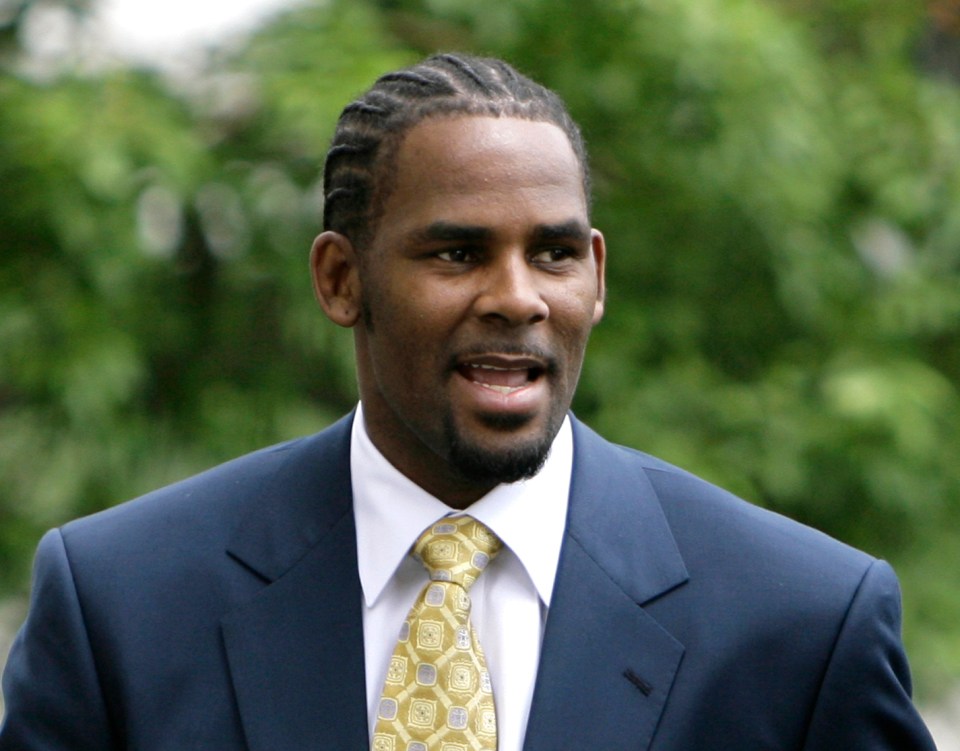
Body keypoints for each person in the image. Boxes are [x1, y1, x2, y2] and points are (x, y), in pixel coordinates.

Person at [0, 53, 937, 751]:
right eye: (456, 253)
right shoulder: (121, 607)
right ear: (340, 278)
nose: (519, 296)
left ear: (597, 276)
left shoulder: (805, 624)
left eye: (555, 253)